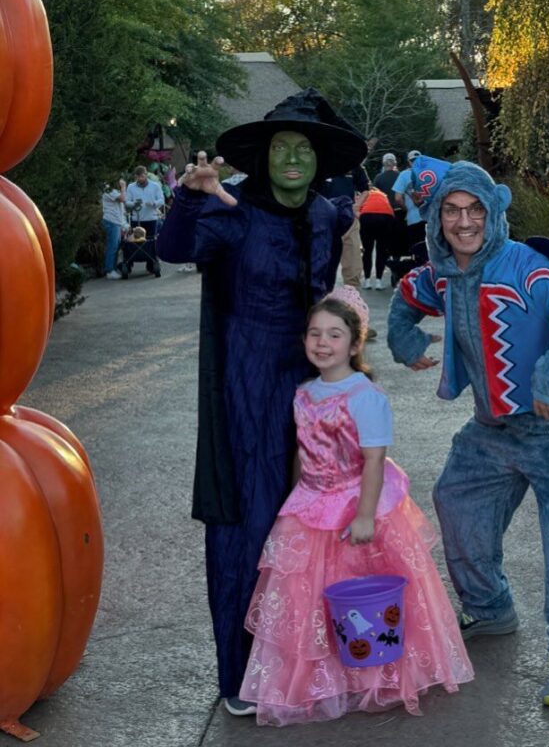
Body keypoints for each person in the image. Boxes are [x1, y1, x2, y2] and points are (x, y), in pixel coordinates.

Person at [154, 88, 369, 715]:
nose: (294, 158)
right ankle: (242, 673)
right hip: (248, 382)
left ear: (318, 159)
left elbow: (335, 257)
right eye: (283, 149)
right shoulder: (234, 214)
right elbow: (172, 249)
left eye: (305, 148)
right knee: (248, 525)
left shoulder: (329, 214)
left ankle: (310, 657)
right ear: (265, 158)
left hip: (314, 382)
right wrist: (191, 195)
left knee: (318, 518)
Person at [387, 158, 549, 708]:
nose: (463, 222)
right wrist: (405, 341)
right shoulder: (441, 271)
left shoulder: (528, 266)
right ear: (436, 218)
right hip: (492, 430)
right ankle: (489, 607)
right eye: (451, 211)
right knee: (455, 498)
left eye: (474, 210)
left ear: (493, 212)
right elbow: (407, 296)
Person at [237, 286, 473, 724]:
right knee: (309, 599)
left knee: (364, 595)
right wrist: (295, 500)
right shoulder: (304, 392)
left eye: (334, 334)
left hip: (356, 503)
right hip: (311, 504)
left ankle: (375, 674)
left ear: (356, 343)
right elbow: (301, 452)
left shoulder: (365, 396)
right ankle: (326, 679)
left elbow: (374, 459)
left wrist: (365, 515)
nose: (322, 343)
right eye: (314, 334)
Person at [321, 164, 370, 289]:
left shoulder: (354, 164)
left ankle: (352, 295)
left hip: (348, 217)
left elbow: (365, 189)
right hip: (323, 217)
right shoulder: (320, 161)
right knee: (323, 261)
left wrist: (357, 206)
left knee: (353, 261)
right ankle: (321, 295)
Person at [358, 186, 395, 289]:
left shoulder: (364, 195)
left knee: (367, 250)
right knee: (381, 250)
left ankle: (367, 280)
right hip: (386, 217)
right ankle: (379, 281)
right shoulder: (383, 196)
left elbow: (358, 211)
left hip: (367, 216)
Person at [125, 165, 165, 239]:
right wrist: (134, 204)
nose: (140, 179)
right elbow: (127, 202)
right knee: (137, 242)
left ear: (146, 175)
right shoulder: (131, 187)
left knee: (151, 241)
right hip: (137, 220)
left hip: (151, 219)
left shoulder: (155, 186)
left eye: (142, 176)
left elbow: (161, 200)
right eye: (138, 177)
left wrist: (154, 203)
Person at [101, 178, 126, 279]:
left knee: (116, 246)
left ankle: (113, 268)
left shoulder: (111, 189)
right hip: (111, 221)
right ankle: (110, 270)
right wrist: (123, 187)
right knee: (113, 246)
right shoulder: (108, 189)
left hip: (116, 221)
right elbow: (122, 198)